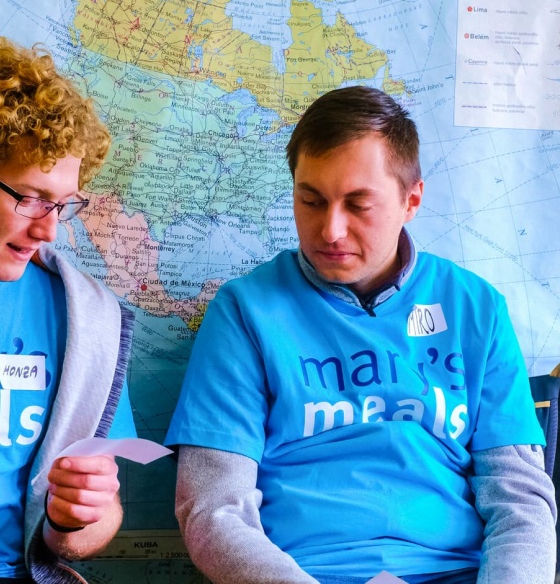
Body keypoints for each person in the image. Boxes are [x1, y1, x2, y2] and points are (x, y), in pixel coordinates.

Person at [165, 86, 557, 584]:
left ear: (411, 200)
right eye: (311, 200)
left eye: (357, 204)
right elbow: (214, 510)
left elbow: (520, 502)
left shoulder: (477, 309)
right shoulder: (245, 312)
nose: (330, 230)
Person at [0, 36, 136, 583]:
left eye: (62, 205)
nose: (49, 229)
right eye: (30, 197)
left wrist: (80, 516)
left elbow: (95, 528)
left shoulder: (85, 322)